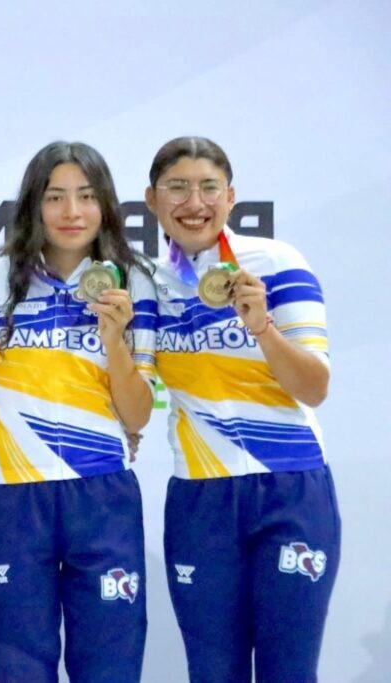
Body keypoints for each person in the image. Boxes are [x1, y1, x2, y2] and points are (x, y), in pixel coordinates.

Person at [145, 136, 340, 683]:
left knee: (289, 672)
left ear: (231, 197)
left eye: (209, 187)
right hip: (200, 497)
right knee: (212, 673)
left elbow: (315, 388)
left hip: (289, 488)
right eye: (177, 188)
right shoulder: (148, 282)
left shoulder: (277, 262)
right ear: (152, 200)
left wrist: (263, 329)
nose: (194, 203)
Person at [0, 141, 155, 682]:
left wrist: (114, 341)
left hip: (101, 495)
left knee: (109, 667)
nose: (72, 211)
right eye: (55, 197)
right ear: (34, 204)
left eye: (86, 196)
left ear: (106, 205)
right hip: (11, 495)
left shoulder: (133, 280)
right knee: (16, 667)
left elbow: (138, 416)